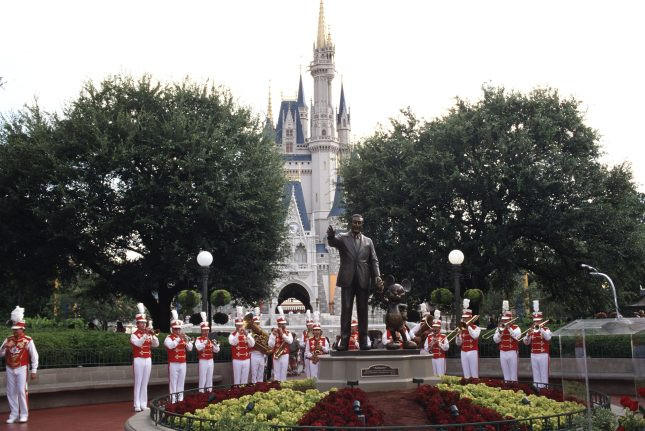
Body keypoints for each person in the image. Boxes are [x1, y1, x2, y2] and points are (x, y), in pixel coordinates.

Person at [327, 214, 384, 350]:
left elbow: (374, 260)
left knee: (363, 311)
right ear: (350, 223)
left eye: (359, 223)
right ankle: (344, 341)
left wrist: (377, 276)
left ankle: (363, 341)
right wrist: (330, 236)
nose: (357, 225)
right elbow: (333, 242)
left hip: (363, 279)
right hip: (347, 279)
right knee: (346, 310)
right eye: (355, 222)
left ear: (362, 224)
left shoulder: (368, 241)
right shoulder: (343, 237)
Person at [1, 306, 38, 424]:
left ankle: (24, 414)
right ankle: (13, 414)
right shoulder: (8, 339)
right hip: (9, 367)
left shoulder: (28, 340)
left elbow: (34, 355)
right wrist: (4, 347)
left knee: (22, 391)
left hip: (22, 368)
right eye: (14, 329)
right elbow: (0, 353)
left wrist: (34, 370)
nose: (15, 331)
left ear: (22, 329)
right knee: (10, 391)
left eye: (17, 329)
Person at [130, 303, 159, 412]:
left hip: (148, 358)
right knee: (138, 381)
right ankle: (136, 404)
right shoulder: (134, 334)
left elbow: (156, 345)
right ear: (137, 324)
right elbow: (138, 344)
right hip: (138, 359)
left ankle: (143, 403)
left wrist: (154, 336)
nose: (143, 324)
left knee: (145, 382)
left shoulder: (148, 333)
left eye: (144, 323)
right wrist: (146, 335)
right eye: (141, 323)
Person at [164, 310, 193, 402]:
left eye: (179, 329)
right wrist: (178, 339)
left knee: (181, 383)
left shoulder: (183, 338)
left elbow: (190, 348)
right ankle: (173, 401)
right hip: (173, 363)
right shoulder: (169, 338)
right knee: (173, 383)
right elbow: (170, 345)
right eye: (176, 329)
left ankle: (180, 400)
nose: (177, 330)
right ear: (172, 329)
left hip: (183, 363)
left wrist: (187, 341)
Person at [523, 300, 552, 388]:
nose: (536, 323)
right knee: (535, 375)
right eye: (535, 321)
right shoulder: (531, 331)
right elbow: (526, 342)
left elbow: (548, 338)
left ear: (541, 321)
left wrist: (541, 329)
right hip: (534, 355)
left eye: (538, 321)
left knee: (544, 374)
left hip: (543, 354)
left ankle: (545, 391)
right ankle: (537, 390)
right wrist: (527, 335)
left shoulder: (546, 329)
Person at [492, 301, 520, 382]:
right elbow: (495, 340)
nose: (504, 322)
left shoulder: (516, 327)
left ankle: (514, 389)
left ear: (511, 320)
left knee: (513, 375)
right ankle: (507, 389)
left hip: (512, 352)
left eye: (506, 320)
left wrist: (509, 328)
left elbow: (517, 337)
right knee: (506, 375)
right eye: (503, 320)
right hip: (502, 352)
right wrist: (500, 333)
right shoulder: (500, 328)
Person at [229, 307, 255, 385]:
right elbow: (233, 343)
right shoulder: (232, 335)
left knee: (245, 379)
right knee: (237, 379)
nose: (240, 327)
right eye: (238, 326)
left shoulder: (247, 334)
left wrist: (247, 334)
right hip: (237, 359)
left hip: (246, 359)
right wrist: (238, 334)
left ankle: (243, 392)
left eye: (241, 326)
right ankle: (237, 392)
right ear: (235, 326)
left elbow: (252, 344)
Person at [455, 298, 480, 379]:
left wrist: (468, 327)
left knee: (474, 372)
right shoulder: (461, 329)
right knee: (466, 373)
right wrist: (458, 336)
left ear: (470, 318)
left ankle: (475, 385)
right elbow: (458, 343)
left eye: (466, 318)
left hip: (472, 351)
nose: (465, 319)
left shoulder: (476, 328)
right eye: (464, 318)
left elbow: (475, 336)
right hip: (463, 352)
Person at [195, 312, 219, 392]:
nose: (206, 332)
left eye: (207, 330)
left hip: (210, 360)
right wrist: (205, 342)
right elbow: (198, 348)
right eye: (204, 330)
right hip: (203, 360)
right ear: (201, 331)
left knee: (209, 378)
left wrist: (215, 345)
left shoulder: (211, 339)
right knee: (202, 378)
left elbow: (217, 350)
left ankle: (209, 392)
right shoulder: (199, 339)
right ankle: (201, 393)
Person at [268, 307, 293, 381]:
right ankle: (276, 387)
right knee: (276, 373)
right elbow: (270, 345)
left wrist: (282, 334)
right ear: (278, 324)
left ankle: (283, 387)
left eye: (283, 324)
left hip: (285, 354)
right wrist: (273, 335)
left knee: (283, 373)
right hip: (276, 354)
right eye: (281, 324)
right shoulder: (273, 333)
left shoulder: (288, 333)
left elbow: (290, 341)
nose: (282, 326)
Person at [424, 310, 449, 376]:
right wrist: (431, 344)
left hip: (440, 358)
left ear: (439, 328)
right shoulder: (429, 337)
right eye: (434, 327)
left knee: (441, 374)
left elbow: (446, 348)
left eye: (436, 327)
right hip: (432, 358)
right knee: (433, 375)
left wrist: (439, 343)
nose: (435, 329)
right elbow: (426, 348)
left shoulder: (443, 336)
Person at [249, 310, 267, 384]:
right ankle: (253, 387)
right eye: (256, 324)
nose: (257, 325)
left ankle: (260, 387)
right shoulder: (250, 334)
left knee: (261, 373)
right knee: (254, 373)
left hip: (262, 355)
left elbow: (266, 344)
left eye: (258, 323)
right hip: (254, 354)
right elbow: (250, 345)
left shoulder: (263, 333)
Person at [301, 311, 314, 377]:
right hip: (306, 351)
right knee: (307, 368)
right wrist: (305, 343)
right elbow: (301, 343)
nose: (309, 326)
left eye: (310, 325)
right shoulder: (304, 333)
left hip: (314, 351)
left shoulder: (316, 332)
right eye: (308, 325)